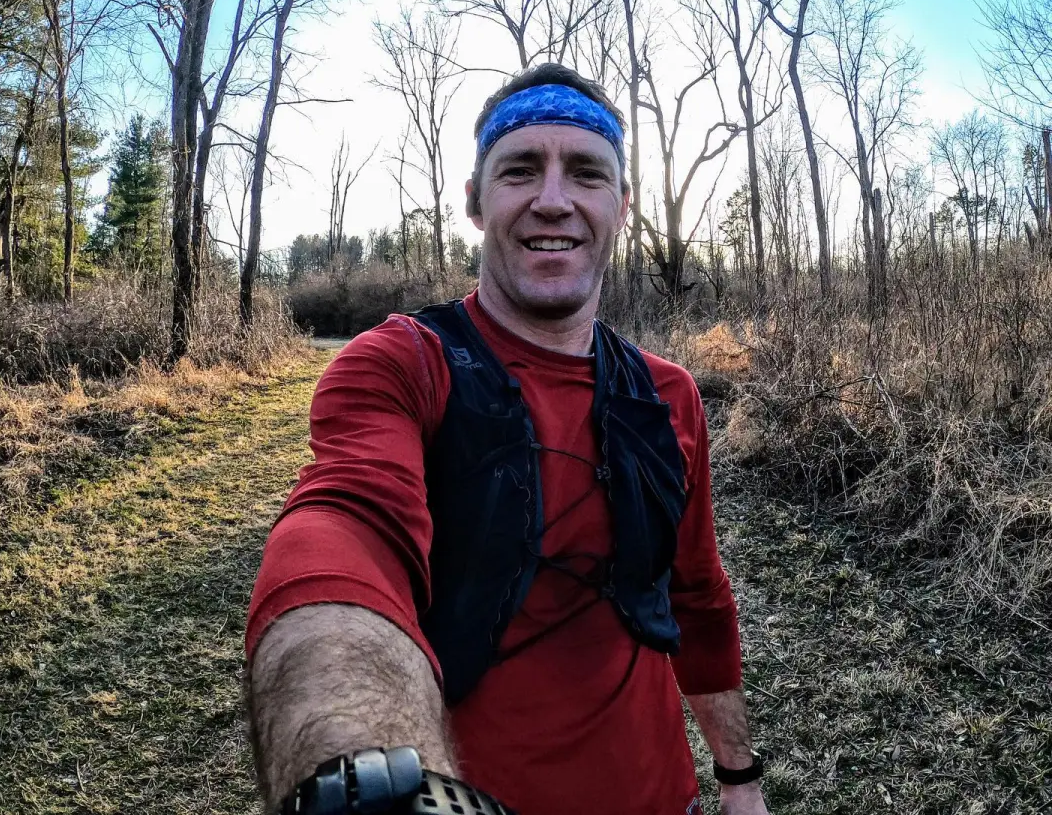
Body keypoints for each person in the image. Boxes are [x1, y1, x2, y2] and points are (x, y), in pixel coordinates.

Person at [245, 63, 769, 815]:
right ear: (475, 202)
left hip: (664, 797)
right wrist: (362, 770)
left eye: (586, 172)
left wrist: (739, 778)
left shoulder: (668, 395)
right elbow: (343, 535)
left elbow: (698, 600)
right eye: (520, 169)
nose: (552, 199)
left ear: (622, 206)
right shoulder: (405, 364)